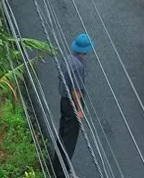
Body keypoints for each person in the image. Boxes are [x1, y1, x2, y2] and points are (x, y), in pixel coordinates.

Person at [51, 33, 94, 178]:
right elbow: (76, 90)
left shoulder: (67, 59)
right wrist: (79, 109)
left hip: (63, 101)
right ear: (86, 50)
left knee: (62, 133)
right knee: (69, 140)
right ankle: (62, 173)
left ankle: (57, 165)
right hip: (72, 104)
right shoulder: (79, 66)